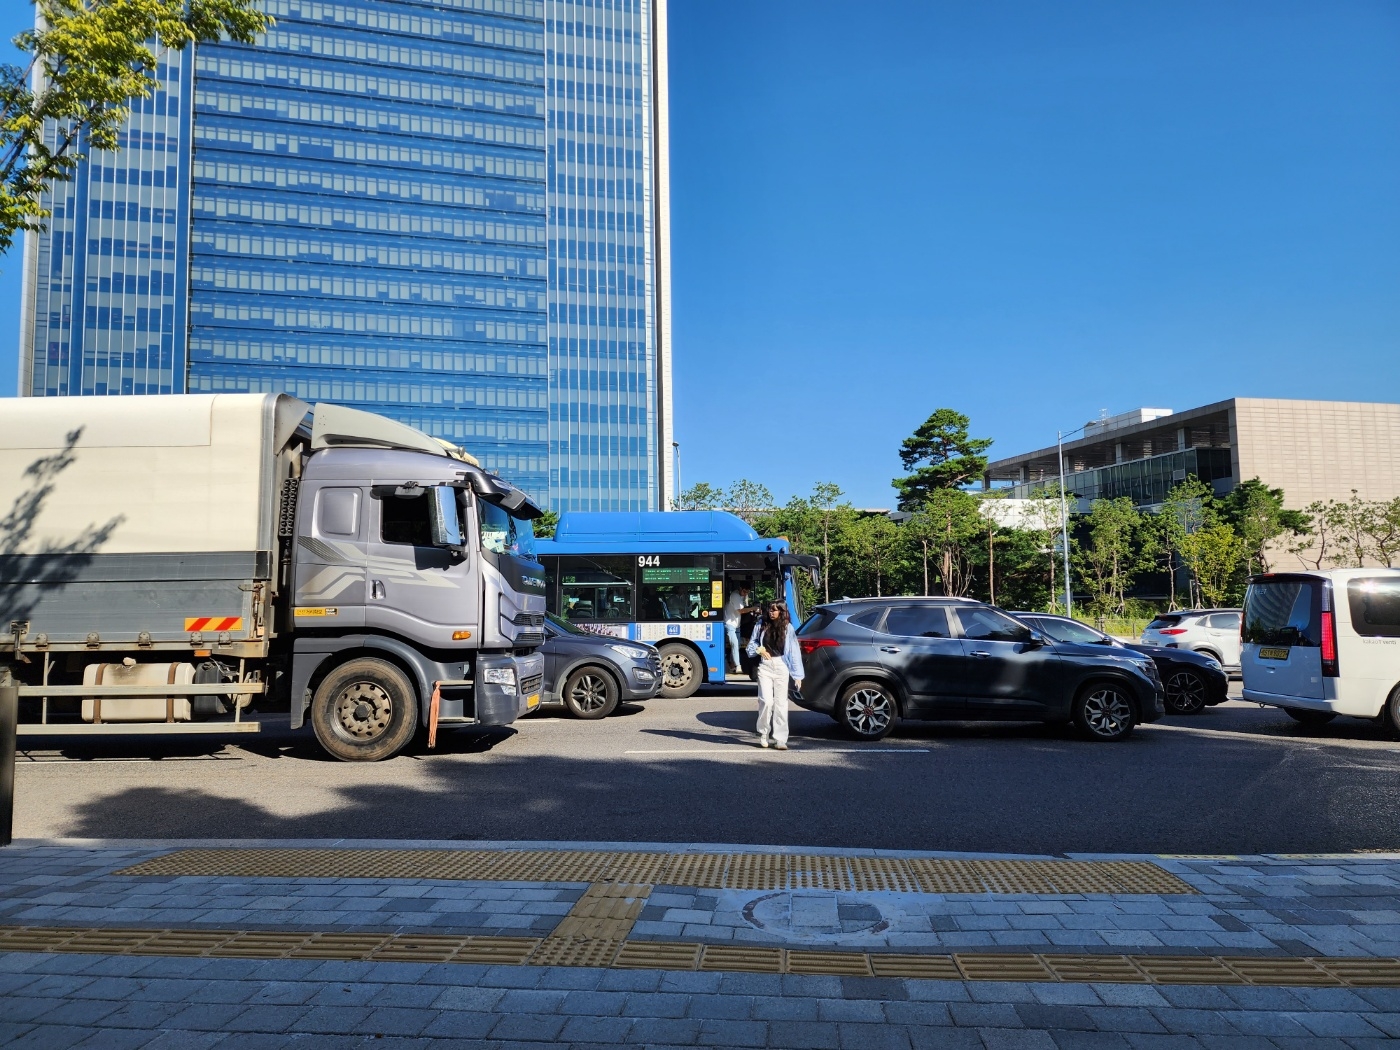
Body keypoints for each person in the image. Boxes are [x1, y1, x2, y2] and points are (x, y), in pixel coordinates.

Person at [746, 600, 804, 750]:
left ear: (781, 612)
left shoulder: (788, 628)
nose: (771, 612)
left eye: (775, 610)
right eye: (770, 610)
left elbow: (794, 652)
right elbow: (751, 645)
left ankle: (780, 739)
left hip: (781, 666)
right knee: (766, 701)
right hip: (765, 667)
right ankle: (764, 733)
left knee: (781, 704)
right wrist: (759, 650)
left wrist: (797, 675)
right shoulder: (761, 624)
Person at [722, 584, 756, 673]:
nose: (745, 594)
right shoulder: (735, 595)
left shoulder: (740, 596)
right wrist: (753, 608)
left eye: (747, 593)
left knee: (736, 645)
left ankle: (732, 666)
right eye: (744, 591)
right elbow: (741, 610)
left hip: (736, 625)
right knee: (735, 644)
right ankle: (738, 665)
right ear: (740, 588)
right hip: (730, 624)